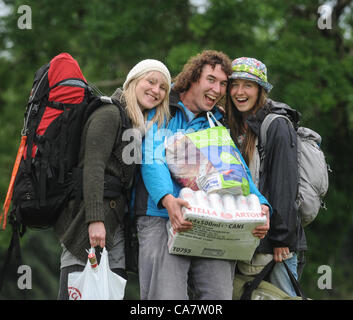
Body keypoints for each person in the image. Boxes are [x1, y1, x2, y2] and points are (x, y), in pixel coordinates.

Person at [134, 50, 271, 300]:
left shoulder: (216, 121)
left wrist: (260, 203)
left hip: (213, 217)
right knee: (166, 297)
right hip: (161, 215)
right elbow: (151, 158)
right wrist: (167, 199)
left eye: (222, 84)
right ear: (193, 78)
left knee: (218, 295)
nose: (218, 89)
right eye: (211, 80)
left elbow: (236, 169)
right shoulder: (163, 109)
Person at [55, 59, 171, 300]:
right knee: (77, 291)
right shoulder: (109, 113)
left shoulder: (138, 126)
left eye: (163, 87)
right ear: (132, 82)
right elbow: (93, 167)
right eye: (150, 81)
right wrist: (95, 219)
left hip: (116, 230)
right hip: (87, 224)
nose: (156, 90)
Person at [225, 57, 307, 297]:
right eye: (234, 85)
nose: (239, 92)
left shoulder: (277, 124)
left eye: (248, 85)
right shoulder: (236, 125)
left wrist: (281, 239)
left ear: (261, 90)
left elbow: (284, 184)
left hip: (277, 245)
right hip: (248, 241)